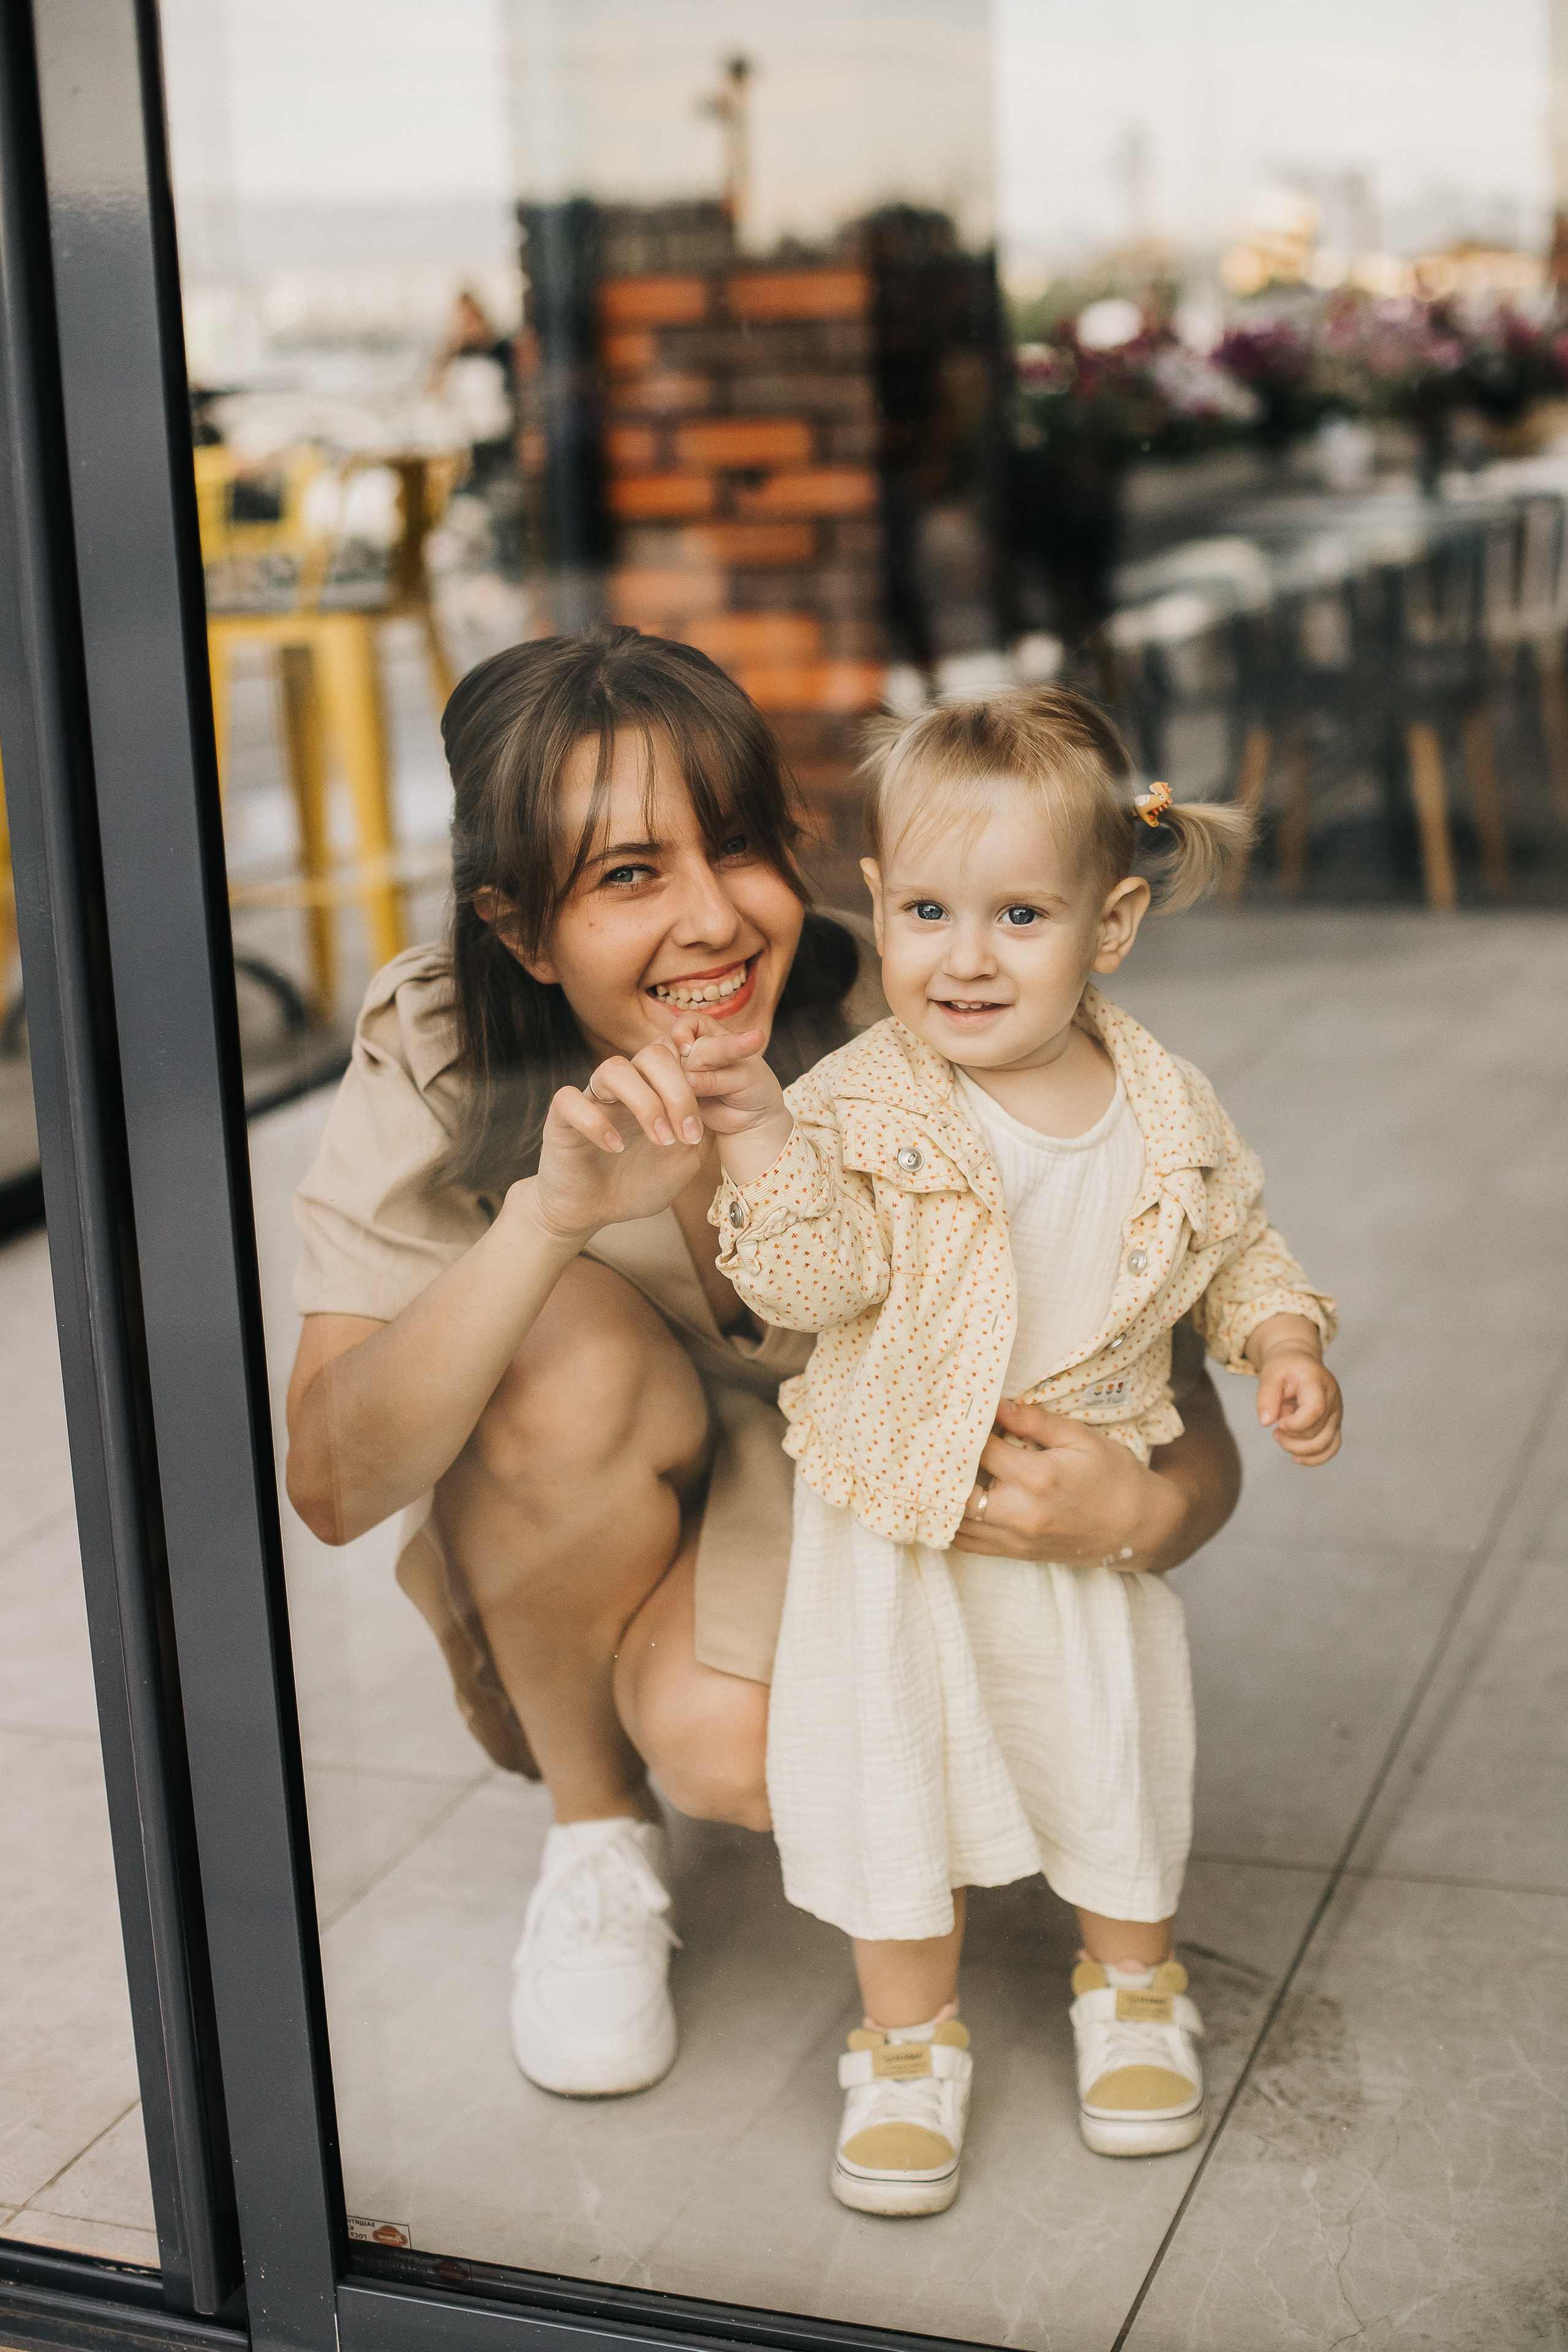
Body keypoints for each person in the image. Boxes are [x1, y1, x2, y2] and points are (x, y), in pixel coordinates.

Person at [283, 630, 1246, 2107]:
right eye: (623, 876)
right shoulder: (439, 1038)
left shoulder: (930, 1016)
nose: (710, 922)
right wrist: (545, 1223)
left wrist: (1137, 1516)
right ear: (521, 930)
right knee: (552, 1341)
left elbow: (1185, 1422)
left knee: (740, 1754)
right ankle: (594, 1834)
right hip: (601, 1469)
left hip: (850, 1482)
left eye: (732, 847)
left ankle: (747, 1768)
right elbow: (337, 1482)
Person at [673, 685, 1341, 2215]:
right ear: (879, 910)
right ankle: (903, 2043)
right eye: (925, 910)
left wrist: (1285, 1342)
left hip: (1077, 1498)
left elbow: (1233, 1247)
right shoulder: (851, 1101)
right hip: (900, 1525)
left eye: (1016, 914)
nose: (962, 956)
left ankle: (1131, 1990)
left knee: (1106, 1760)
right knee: (892, 1779)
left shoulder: (1162, 1106)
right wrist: (757, 1138)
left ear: (1107, 925)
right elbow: (812, 1285)